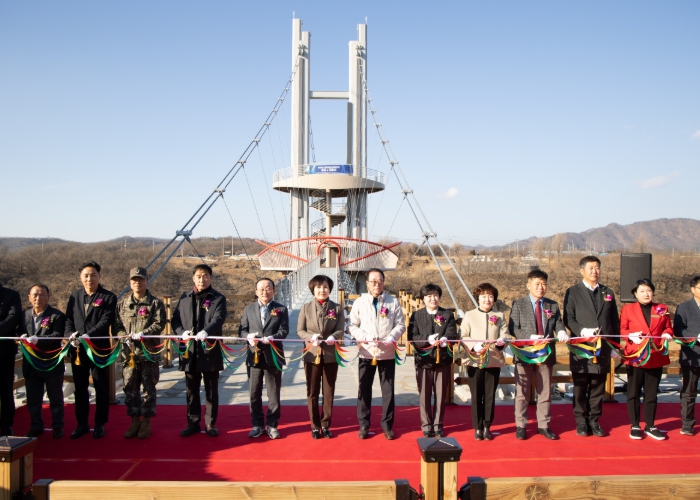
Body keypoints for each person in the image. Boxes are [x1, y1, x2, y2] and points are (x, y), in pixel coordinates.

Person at [563, 255, 620, 438]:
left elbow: (614, 321)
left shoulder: (607, 292)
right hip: (581, 348)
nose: (595, 271)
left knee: (598, 387)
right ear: (582, 270)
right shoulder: (573, 292)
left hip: (603, 348)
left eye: (597, 268)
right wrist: (582, 330)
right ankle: (581, 421)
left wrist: (615, 345)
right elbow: (568, 318)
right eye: (591, 268)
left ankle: (594, 420)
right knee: (580, 386)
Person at [509, 270, 569, 441]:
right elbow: (513, 328)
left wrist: (562, 331)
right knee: (522, 392)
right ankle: (521, 425)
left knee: (545, 392)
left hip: (545, 354)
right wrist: (529, 336)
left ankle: (543, 425)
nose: (540, 287)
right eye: (537, 284)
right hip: (525, 353)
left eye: (543, 284)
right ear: (528, 285)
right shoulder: (518, 304)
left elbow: (558, 323)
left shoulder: (552, 305)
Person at [348, 268, 406, 440]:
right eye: (373, 281)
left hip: (386, 352)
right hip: (366, 352)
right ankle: (364, 424)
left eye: (380, 281)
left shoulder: (392, 302)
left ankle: (387, 425)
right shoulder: (359, 302)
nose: (377, 285)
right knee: (364, 389)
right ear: (367, 283)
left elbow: (400, 324)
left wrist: (392, 336)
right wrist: (364, 337)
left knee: (388, 391)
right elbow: (352, 325)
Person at [171, 264, 227, 438]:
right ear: (193, 278)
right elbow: (175, 320)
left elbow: (219, 318)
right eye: (198, 276)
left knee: (211, 389)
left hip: (209, 349)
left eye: (205, 276)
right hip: (190, 350)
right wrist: (181, 333)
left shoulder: (218, 298)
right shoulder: (185, 297)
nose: (202, 279)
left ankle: (210, 423)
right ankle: (193, 422)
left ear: (211, 278)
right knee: (191, 389)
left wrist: (207, 331)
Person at [65, 261, 117, 439]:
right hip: (78, 349)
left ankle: (100, 423)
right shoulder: (75, 295)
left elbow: (106, 320)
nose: (89, 279)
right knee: (80, 387)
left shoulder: (108, 297)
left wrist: (89, 335)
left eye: (93, 275)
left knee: (101, 386)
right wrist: (71, 335)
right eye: (86, 276)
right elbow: (68, 319)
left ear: (99, 276)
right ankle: (82, 424)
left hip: (98, 348)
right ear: (80, 277)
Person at [113, 267, 166, 439]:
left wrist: (145, 334)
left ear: (147, 281)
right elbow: (116, 325)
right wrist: (123, 335)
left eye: (141, 279)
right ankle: (134, 420)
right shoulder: (122, 304)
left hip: (148, 353)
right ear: (130, 282)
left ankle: (147, 421)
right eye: (134, 280)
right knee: (130, 388)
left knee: (148, 387)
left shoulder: (155, 303)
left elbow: (159, 323)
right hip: (129, 354)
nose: (138, 283)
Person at [620, 279, 672, 440]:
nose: (646, 294)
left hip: (655, 355)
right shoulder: (627, 309)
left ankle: (650, 425)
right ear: (635, 294)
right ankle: (635, 425)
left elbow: (668, 327)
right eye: (642, 291)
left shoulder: (662, 308)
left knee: (651, 393)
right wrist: (630, 336)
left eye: (649, 290)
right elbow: (622, 329)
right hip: (636, 356)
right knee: (633, 392)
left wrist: (667, 334)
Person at [240, 278, 289, 440]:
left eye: (268, 288)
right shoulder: (248, 309)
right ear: (256, 291)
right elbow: (242, 330)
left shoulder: (281, 309)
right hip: (253, 355)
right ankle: (257, 425)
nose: (264, 292)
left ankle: (272, 425)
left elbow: (284, 330)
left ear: (273, 290)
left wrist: (273, 337)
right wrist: (248, 337)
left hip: (273, 355)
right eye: (261, 289)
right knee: (254, 393)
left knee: (273, 393)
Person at [297, 275, 345, 439]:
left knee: (329, 390)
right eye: (318, 287)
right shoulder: (305, 308)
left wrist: (334, 336)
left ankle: (325, 424)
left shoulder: (337, 308)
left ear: (329, 289)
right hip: (312, 354)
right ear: (313, 289)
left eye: (325, 287)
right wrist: (310, 337)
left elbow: (340, 329)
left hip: (331, 354)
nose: (322, 290)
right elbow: (300, 330)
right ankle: (315, 425)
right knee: (312, 391)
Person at [461, 282, 510, 440]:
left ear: (494, 298)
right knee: (476, 395)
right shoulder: (470, 315)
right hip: (474, 359)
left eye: (490, 296)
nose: (487, 299)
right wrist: (473, 345)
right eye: (483, 296)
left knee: (490, 395)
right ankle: (477, 427)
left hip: (493, 359)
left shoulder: (500, 316)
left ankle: (487, 425)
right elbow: (463, 335)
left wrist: (502, 342)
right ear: (478, 298)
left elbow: (505, 335)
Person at [408, 283, 458, 438]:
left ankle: (438, 424)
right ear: (423, 299)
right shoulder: (416, 315)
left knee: (440, 395)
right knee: (424, 394)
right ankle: (426, 425)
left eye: (435, 295)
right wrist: (427, 339)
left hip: (442, 360)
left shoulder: (447, 315)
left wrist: (446, 339)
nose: (433, 299)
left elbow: (453, 334)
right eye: (429, 296)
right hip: (423, 361)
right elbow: (412, 337)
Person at [19, 284, 66, 439]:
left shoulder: (56, 315)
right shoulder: (23, 315)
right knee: (33, 398)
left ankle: (58, 426)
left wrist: (38, 339)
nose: (38, 298)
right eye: (35, 295)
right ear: (29, 297)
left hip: (51, 363)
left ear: (48, 297)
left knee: (55, 398)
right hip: (31, 363)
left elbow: (57, 336)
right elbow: (18, 333)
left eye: (42, 295)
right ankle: (36, 426)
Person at [674, 275, 700, 436]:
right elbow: (678, 330)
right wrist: (695, 336)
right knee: (689, 391)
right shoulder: (684, 307)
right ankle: (687, 423)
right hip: (692, 355)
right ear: (693, 289)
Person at [0, 283, 21, 436]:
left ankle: (6, 424)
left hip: (3, 352)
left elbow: (13, 318)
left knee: (5, 389)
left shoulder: (11, 295)